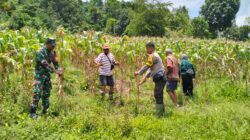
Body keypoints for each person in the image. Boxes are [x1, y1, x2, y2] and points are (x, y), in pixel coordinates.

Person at [30, 38, 63, 119]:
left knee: (46, 94)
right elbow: (45, 64)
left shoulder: (53, 53)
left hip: (47, 77)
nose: (53, 47)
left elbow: (56, 63)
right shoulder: (40, 52)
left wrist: (59, 69)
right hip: (39, 76)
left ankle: (45, 111)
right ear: (47, 44)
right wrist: (55, 71)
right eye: (52, 45)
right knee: (37, 93)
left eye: (54, 46)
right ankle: (32, 113)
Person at [135, 42, 166, 117]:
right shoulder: (155, 55)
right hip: (161, 77)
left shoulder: (153, 55)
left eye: (147, 48)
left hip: (160, 77)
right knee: (158, 94)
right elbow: (150, 69)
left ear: (151, 48)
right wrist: (143, 79)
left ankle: (159, 115)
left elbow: (147, 66)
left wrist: (139, 72)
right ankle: (162, 112)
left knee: (158, 94)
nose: (146, 50)